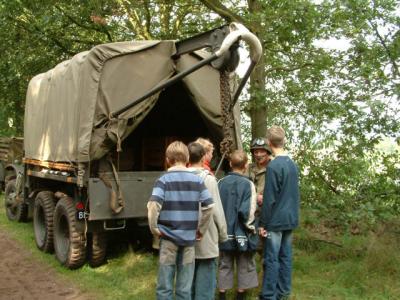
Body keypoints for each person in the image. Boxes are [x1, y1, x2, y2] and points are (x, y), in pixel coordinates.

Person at [147, 141, 215, 300]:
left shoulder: (163, 180)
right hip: (189, 241)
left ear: (167, 159)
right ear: (187, 159)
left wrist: (154, 228)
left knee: (165, 287)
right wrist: (201, 230)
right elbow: (209, 206)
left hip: (168, 240)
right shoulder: (198, 181)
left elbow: (153, 205)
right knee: (184, 288)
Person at [258, 126, 300, 300]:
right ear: (283, 140)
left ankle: (269, 295)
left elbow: (269, 199)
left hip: (275, 220)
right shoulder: (292, 164)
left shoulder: (274, 166)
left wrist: (262, 223)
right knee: (286, 256)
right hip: (290, 217)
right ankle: (284, 292)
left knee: (272, 258)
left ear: (269, 143)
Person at [187, 142, 228, 300]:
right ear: (203, 156)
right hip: (206, 237)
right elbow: (216, 210)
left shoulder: (180, 176)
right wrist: (223, 235)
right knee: (205, 285)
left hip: (185, 237)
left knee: (187, 284)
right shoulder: (209, 180)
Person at [218, 150, 258, 300]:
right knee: (244, 263)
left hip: (224, 233)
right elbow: (248, 212)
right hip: (242, 233)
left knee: (224, 263)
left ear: (230, 164)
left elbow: (216, 208)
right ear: (246, 165)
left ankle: (222, 295)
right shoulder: (248, 185)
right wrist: (251, 228)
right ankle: (240, 295)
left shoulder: (220, 183)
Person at [248, 137, 273, 255]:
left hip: (269, 215)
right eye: (255, 151)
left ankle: (268, 273)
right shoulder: (248, 168)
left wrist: (266, 197)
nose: (258, 154)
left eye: (262, 151)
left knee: (268, 251)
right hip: (251, 215)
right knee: (251, 248)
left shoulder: (274, 168)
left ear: (268, 152)